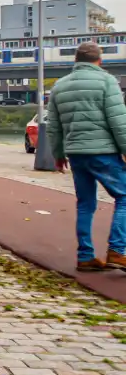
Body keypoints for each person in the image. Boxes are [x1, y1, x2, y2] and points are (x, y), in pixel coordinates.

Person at [47, 41, 126, 272]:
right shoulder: (107, 81)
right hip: (103, 152)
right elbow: (119, 122)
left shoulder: (60, 86)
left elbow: (53, 125)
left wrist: (58, 153)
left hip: (76, 154)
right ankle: (118, 251)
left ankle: (85, 256)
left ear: (75, 61)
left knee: (85, 204)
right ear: (99, 60)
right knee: (124, 196)